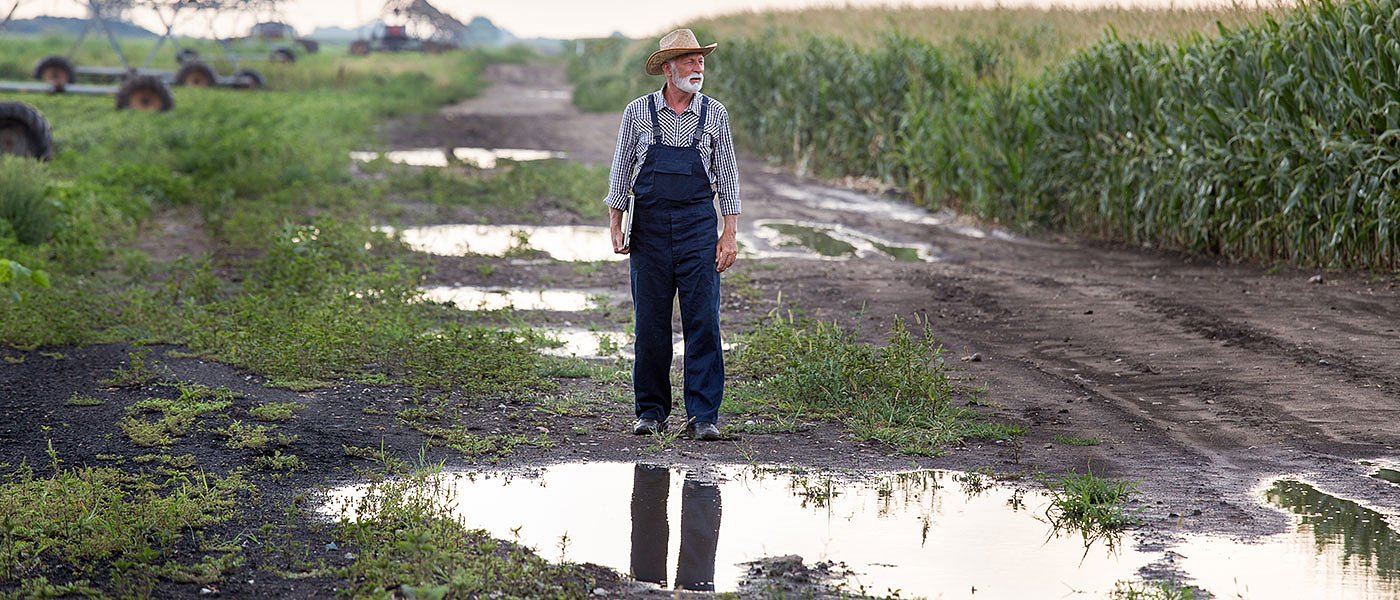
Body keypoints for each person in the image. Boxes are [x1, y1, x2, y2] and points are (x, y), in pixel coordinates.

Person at [606, 28, 740, 442]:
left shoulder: (715, 114)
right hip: (648, 229)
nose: (697, 67)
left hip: (698, 227)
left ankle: (703, 416)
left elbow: (728, 176)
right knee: (651, 324)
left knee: (703, 322)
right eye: (688, 60)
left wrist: (728, 232)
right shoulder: (638, 112)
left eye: (700, 60)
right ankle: (650, 411)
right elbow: (621, 169)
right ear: (667, 69)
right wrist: (616, 220)